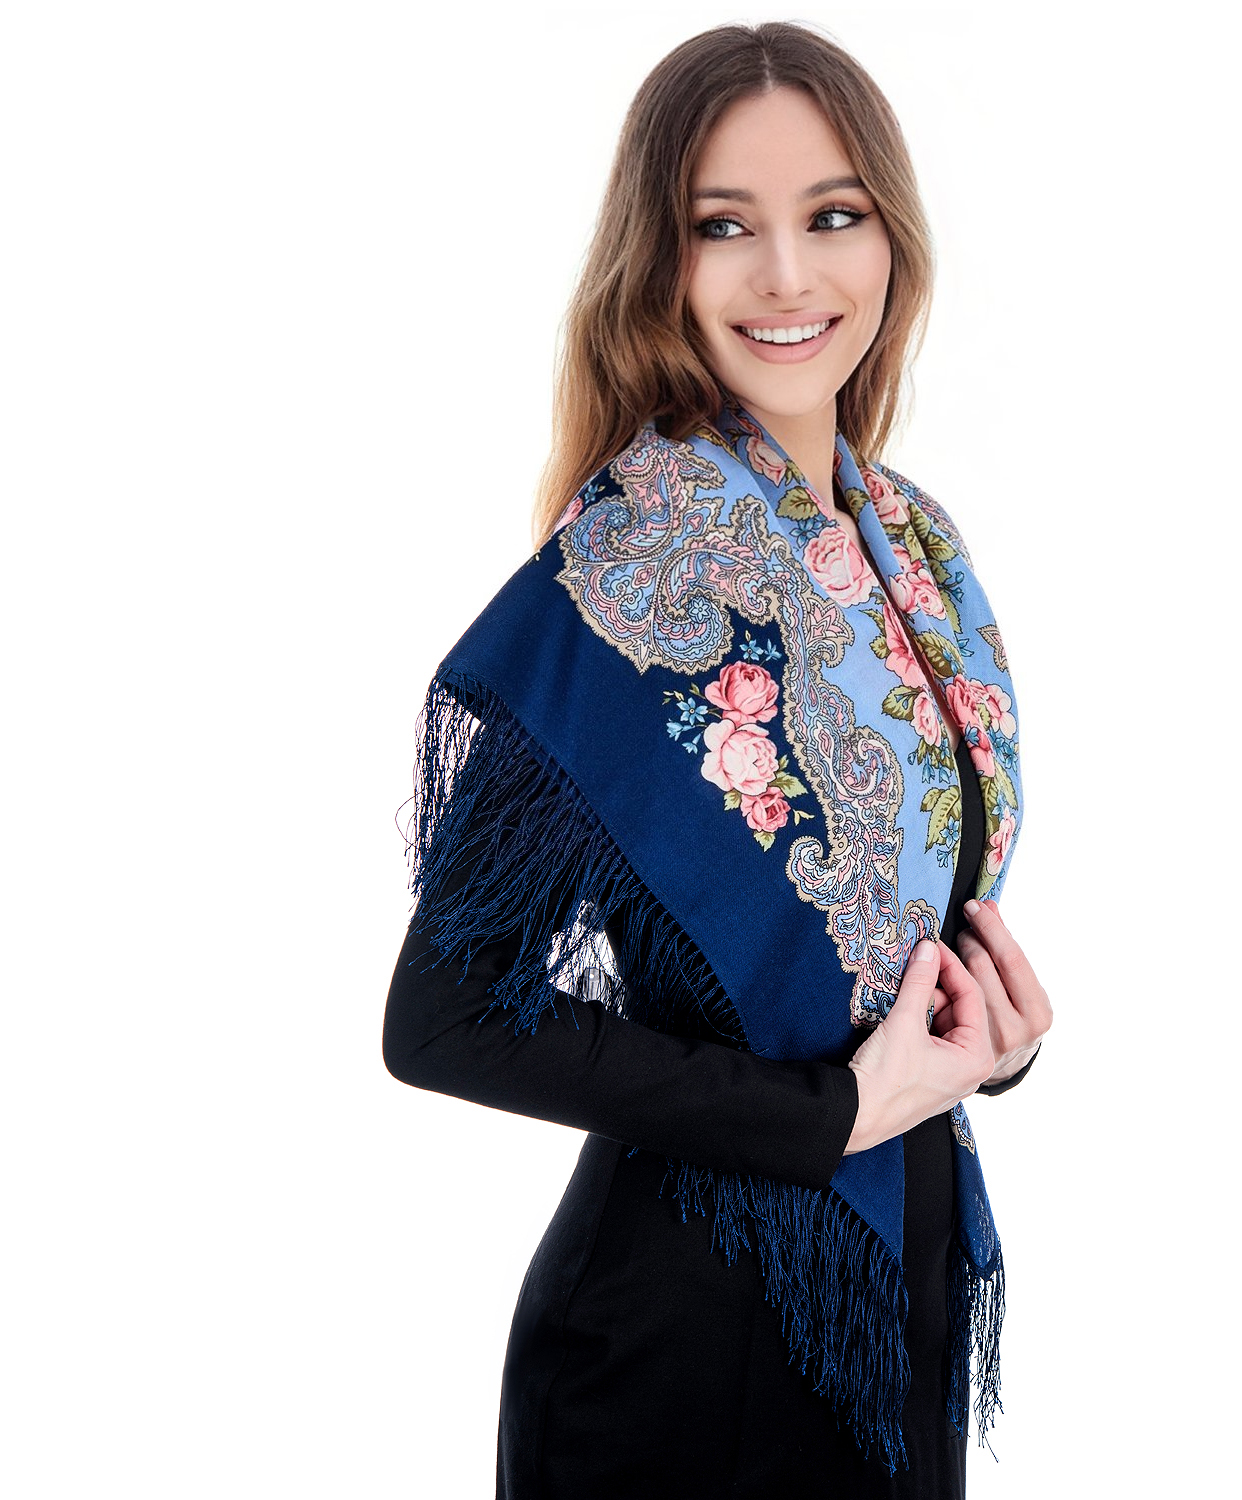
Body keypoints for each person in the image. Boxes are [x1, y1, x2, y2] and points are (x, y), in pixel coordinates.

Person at [382, 20, 1053, 1499]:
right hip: (680, 1362)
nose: (788, 275)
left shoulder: (916, 551)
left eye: (833, 215)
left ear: (893, 239)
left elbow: (876, 952)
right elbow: (445, 1018)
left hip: (893, 1311)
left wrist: (988, 1045)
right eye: (723, 227)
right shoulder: (623, 584)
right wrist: (833, 1115)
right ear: (661, 266)